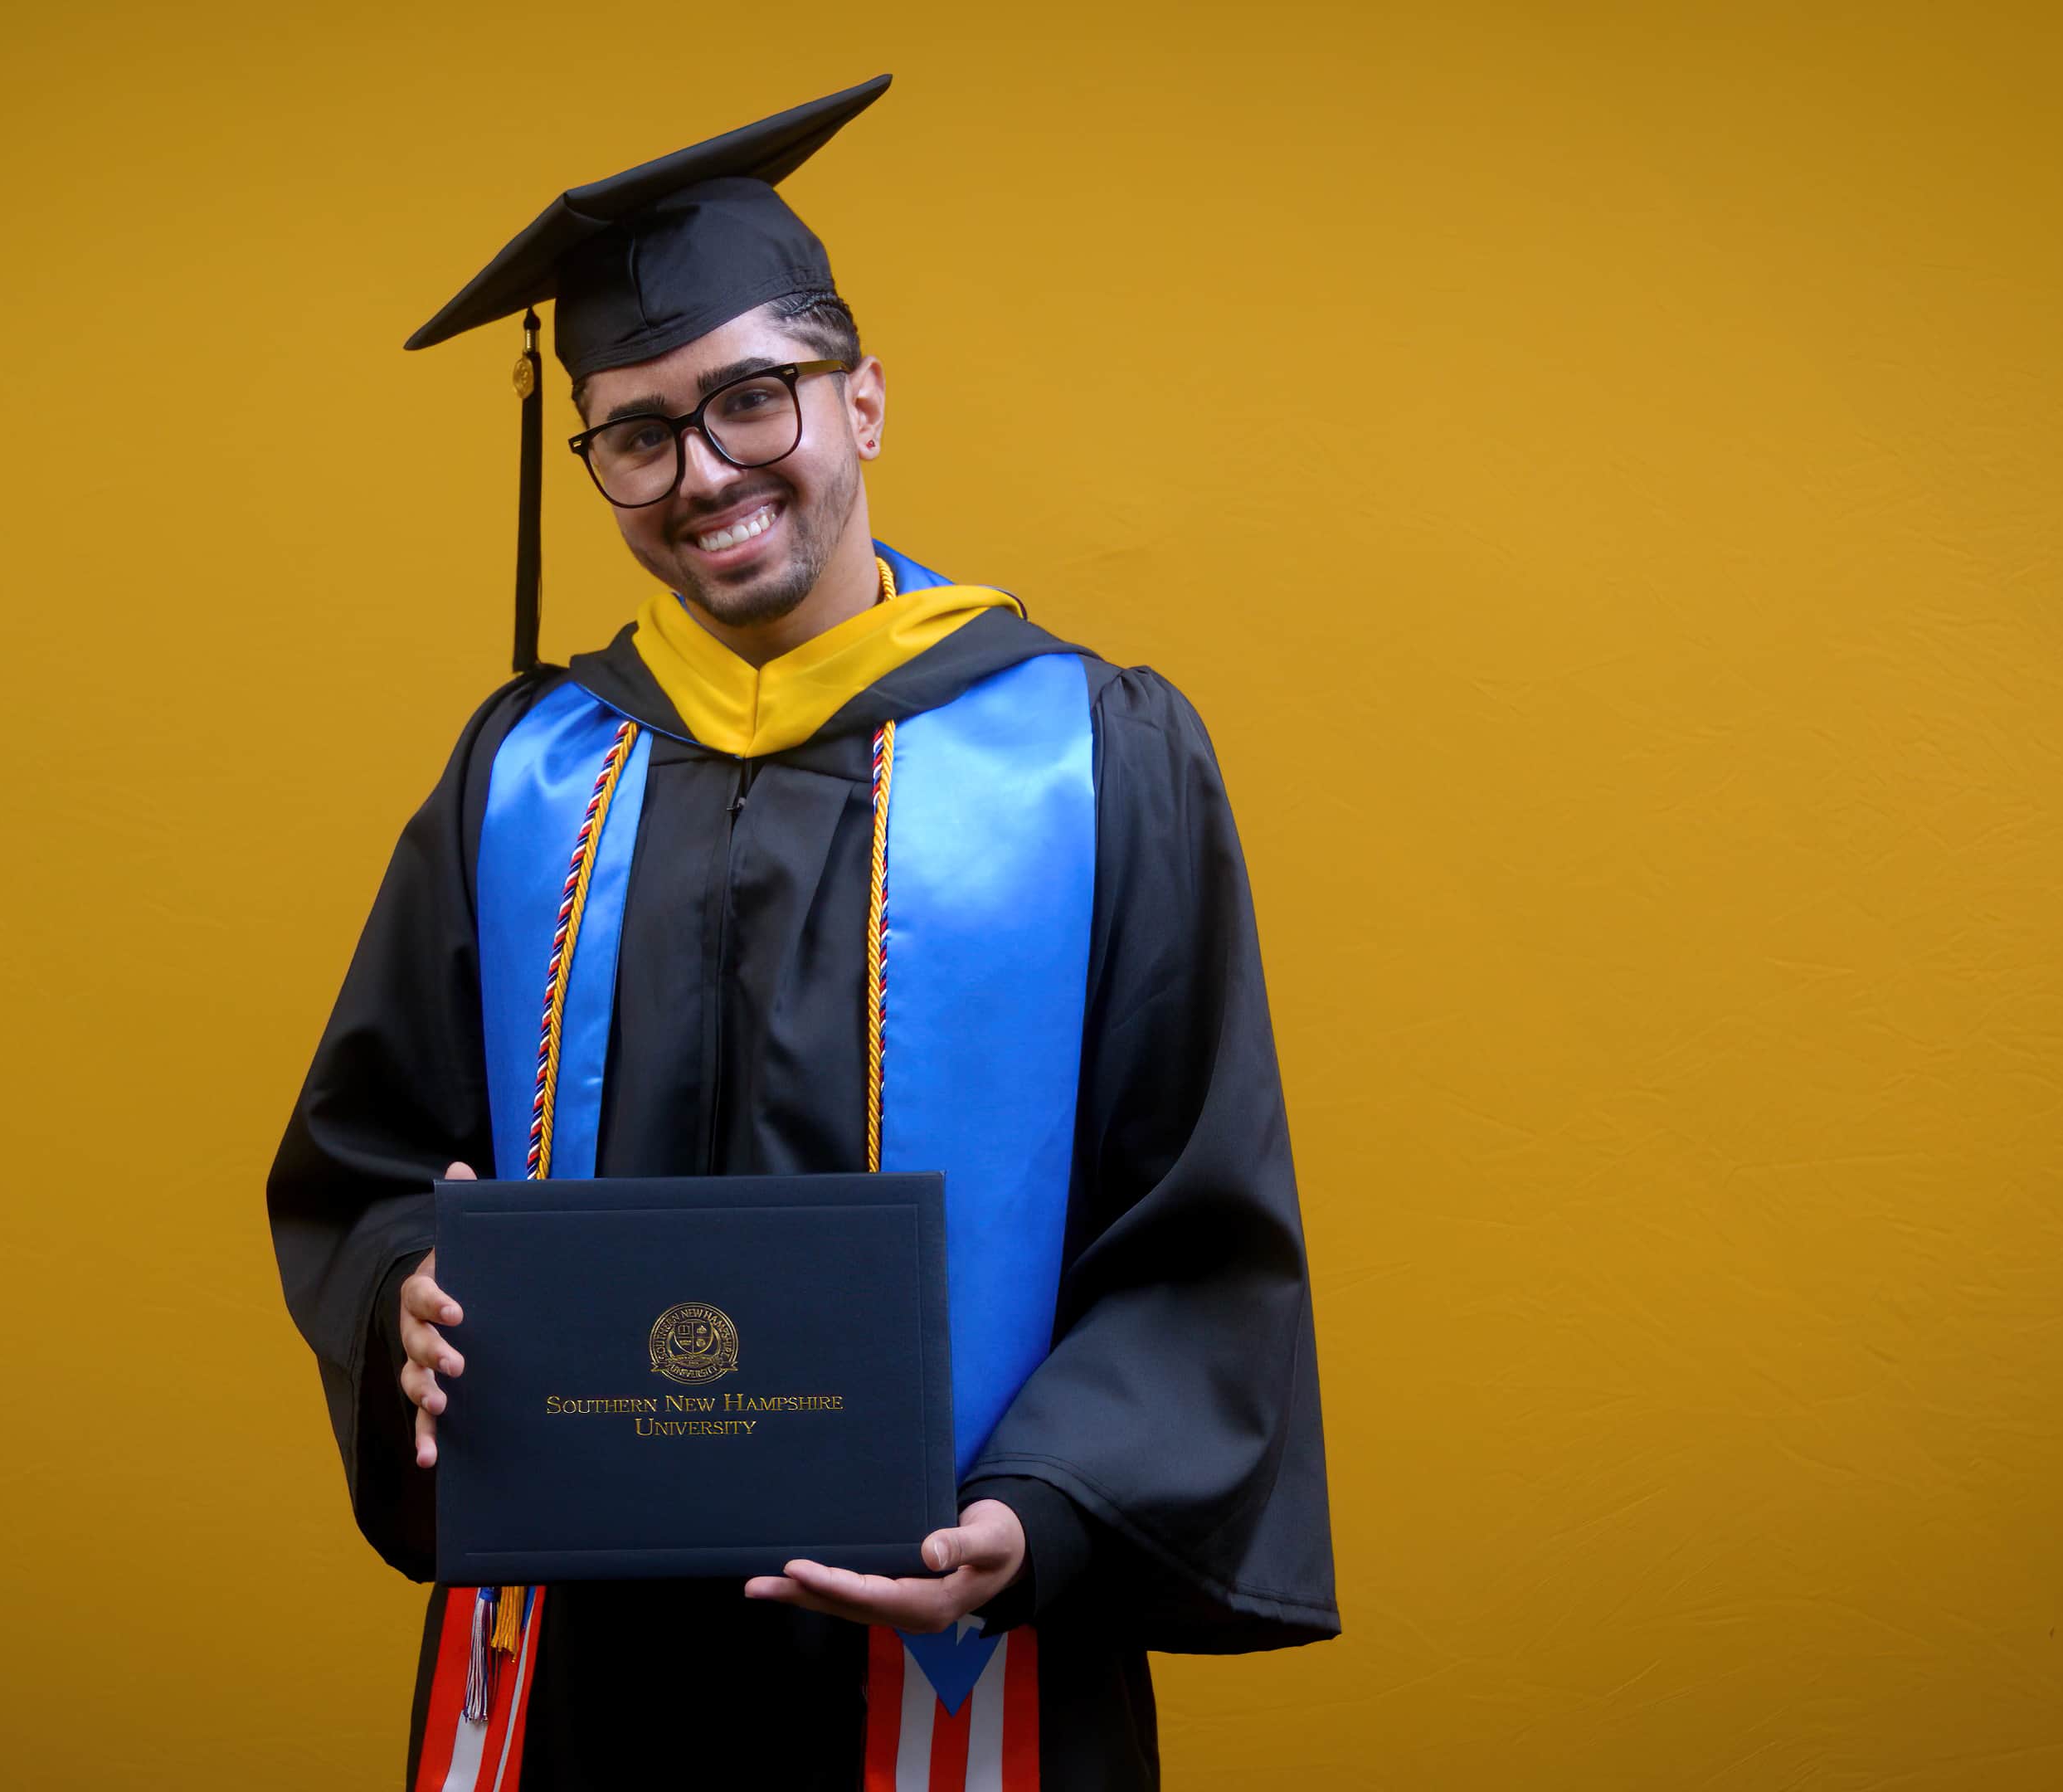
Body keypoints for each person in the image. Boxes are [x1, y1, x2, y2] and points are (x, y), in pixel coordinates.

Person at [267, 73, 1336, 1791]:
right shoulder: (527, 774)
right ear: (598, 458)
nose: (704, 473)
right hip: (585, 1679)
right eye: (638, 430)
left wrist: (1039, 1516)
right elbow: (372, 1156)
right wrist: (405, 1288)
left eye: (752, 399)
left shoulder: (1093, 757)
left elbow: (1194, 1216)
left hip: (946, 1645)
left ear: (865, 399)